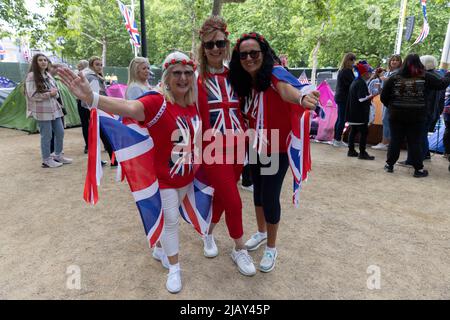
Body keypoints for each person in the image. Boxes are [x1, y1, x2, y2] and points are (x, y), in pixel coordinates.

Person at [58, 51, 200, 294]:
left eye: (188, 73)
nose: (183, 78)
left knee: (173, 214)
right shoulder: (157, 101)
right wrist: (92, 97)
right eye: (177, 73)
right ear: (166, 77)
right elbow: (128, 107)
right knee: (171, 221)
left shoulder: (192, 103)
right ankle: (175, 268)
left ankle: (159, 250)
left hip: (187, 176)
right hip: (164, 179)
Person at [229, 32, 319, 272]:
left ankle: (271, 247)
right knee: (257, 192)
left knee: (269, 197)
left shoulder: (274, 73)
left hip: (276, 148)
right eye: (243, 54)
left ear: (264, 53)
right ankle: (260, 233)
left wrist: (301, 99)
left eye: (254, 53)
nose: (249, 58)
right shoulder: (244, 80)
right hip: (255, 146)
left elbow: (287, 90)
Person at [196, 16, 256, 276]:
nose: (216, 48)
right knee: (234, 200)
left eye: (220, 42)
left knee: (224, 194)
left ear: (226, 43)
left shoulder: (238, 75)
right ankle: (239, 248)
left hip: (238, 144)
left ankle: (208, 232)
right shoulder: (194, 78)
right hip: (212, 147)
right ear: (203, 47)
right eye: (210, 45)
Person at [381, 54, 450, 178]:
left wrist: (392, 107)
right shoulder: (425, 77)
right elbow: (441, 84)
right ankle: (418, 170)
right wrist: (448, 75)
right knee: (415, 142)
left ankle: (389, 165)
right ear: (419, 63)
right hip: (417, 116)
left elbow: (384, 97)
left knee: (395, 140)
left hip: (396, 115)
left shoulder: (394, 77)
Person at [25, 53, 72, 168]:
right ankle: (46, 159)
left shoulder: (48, 75)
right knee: (46, 136)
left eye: (45, 60)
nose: (43, 62)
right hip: (42, 111)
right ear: (35, 63)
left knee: (60, 132)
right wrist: (49, 94)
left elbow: (55, 91)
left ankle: (58, 155)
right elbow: (32, 95)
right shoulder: (31, 76)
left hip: (55, 109)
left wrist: (54, 94)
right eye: (40, 60)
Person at [83, 56, 117, 166]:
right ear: (91, 65)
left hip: (95, 109)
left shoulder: (95, 76)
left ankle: (101, 160)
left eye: (101, 64)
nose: (99, 66)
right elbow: (94, 95)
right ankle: (113, 159)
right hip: (95, 109)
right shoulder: (92, 77)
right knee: (103, 134)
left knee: (100, 135)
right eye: (97, 64)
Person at [346, 61, 377, 160]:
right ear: (364, 73)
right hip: (359, 113)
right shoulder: (360, 83)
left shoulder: (356, 81)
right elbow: (361, 98)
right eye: (369, 72)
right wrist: (371, 96)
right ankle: (362, 152)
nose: (370, 74)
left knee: (353, 131)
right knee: (364, 132)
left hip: (353, 113)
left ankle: (351, 150)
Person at [372, 54, 402, 151]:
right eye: (392, 60)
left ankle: (385, 142)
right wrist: (380, 85)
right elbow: (382, 89)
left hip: (392, 101)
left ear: (400, 62)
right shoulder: (388, 73)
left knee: (387, 120)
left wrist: (387, 80)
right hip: (386, 100)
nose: (394, 61)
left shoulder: (399, 73)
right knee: (386, 120)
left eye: (396, 60)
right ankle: (386, 142)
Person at [332, 52, 356, 147]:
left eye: (354, 59)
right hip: (343, 98)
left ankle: (336, 139)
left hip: (341, 97)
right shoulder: (346, 71)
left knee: (340, 118)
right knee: (342, 119)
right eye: (351, 59)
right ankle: (337, 139)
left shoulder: (344, 71)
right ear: (347, 60)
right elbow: (351, 84)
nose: (353, 61)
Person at [76, 60, 90, 154]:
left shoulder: (82, 75)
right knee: (94, 124)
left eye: (80, 65)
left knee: (86, 124)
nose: (78, 67)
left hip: (84, 102)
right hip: (87, 102)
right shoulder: (91, 74)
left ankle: (88, 146)